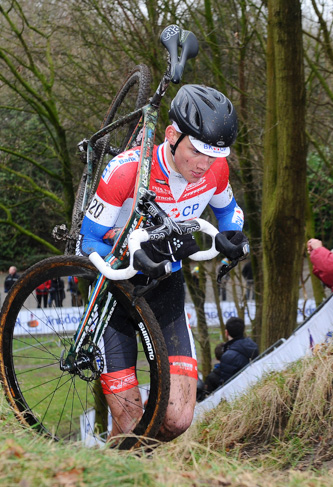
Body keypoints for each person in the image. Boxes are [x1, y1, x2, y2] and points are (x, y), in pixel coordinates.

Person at [77, 84, 246, 442]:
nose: (204, 164)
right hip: (116, 293)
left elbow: (229, 211)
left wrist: (233, 234)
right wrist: (124, 255)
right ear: (171, 135)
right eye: (197, 151)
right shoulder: (126, 171)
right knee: (130, 428)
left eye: (215, 155)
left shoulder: (215, 170)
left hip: (166, 287)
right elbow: (86, 241)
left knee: (178, 419)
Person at [202, 317, 258, 395]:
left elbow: (225, 385)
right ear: (243, 331)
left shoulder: (228, 356)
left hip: (239, 395)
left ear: (226, 333)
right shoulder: (254, 347)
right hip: (255, 389)